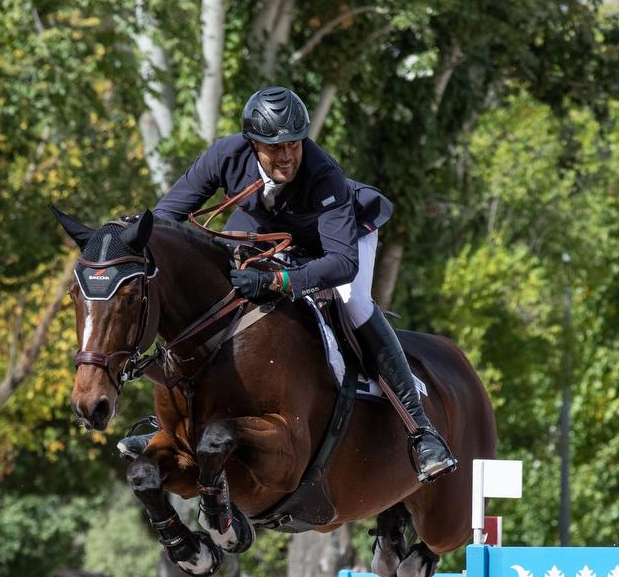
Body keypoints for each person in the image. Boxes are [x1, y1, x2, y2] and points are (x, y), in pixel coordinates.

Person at [154, 85, 457, 482]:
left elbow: (341, 263)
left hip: (340, 238)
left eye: (294, 144)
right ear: (251, 143)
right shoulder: (224, 155)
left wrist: (279, 280)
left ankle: (421, 430)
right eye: (273, 147)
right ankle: (177, 415)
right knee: (213, 285)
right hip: (267, 228)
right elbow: (164, 220)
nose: (286, 155)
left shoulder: (323, 174)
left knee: (355, 302)